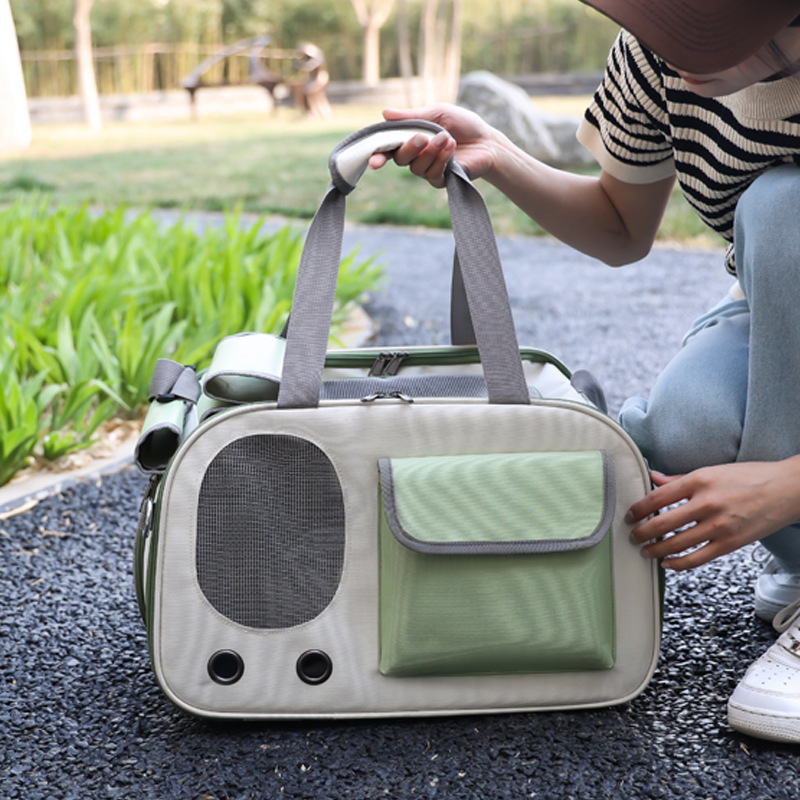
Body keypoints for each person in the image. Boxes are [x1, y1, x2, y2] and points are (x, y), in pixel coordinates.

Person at [368, 0, 800, 743]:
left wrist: (785, 485)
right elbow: (620, 226)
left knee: (782, 208)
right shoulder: (654, 50)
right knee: (684, 428)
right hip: (774, 307)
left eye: (704, 37)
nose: (675, 56)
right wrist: (500, 157)